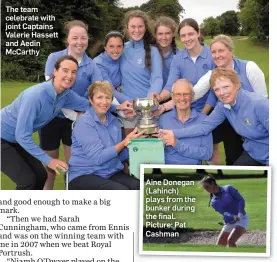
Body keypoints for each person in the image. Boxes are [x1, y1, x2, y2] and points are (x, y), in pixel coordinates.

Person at [1, 55, 90, 190]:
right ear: (55, 71)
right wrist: (49, 160)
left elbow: (89, 105)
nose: (69, 75)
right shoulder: (35, 96)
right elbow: (22, 135)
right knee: (27, 181)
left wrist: (117, 107)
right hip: (3, 137)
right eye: (65, 70)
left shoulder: (65, 95)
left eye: (73, 72)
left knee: (41, 175)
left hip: (15, 140)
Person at [159, 68, 269, 166]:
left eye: (226, 87)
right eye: (217, 89)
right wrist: (173, 133)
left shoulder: (258, 104)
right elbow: (204, 127)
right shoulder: (223, 106)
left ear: (237, 85)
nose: (222, 93)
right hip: (254, 154)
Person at [40, 20, 103, 189]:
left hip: (75, 124)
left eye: (83, 38)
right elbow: (53, 94)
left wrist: (117, 106)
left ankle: (72, 205)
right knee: (49, 168)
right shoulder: (54, 58)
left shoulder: (92, 64)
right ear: (67, 39)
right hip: (50, 119)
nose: (79, 42)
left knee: (73, 167)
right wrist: (75, 115)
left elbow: (99, 92)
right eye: (75, 37)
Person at [68, 82, 144, 190]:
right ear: (91, 99)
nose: (104, 102)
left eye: (108, 98)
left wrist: (137, 145)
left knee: (139, 187)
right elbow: (98, 158)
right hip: (85, 174)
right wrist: (124, 142)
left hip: (109, 173)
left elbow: (119, 155)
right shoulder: (84, 122)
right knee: (123, 192)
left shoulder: (115, 121)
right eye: (99, 97)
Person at [156, 18, 214, 112]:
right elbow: (170, 86)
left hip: (209, 111)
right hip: (184, 109)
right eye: (183, 36)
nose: (187, 39)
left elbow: (214, 92)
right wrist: (158, 98)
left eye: (190, 34)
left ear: (198, 33)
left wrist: (203, 114)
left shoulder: (213, 55)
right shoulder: (177, 58)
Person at [120, 10, 163, 136]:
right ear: (127, 28)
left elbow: (157, 78)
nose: (136, 30)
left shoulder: (153, 51)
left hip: (149, 112)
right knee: (130, 151)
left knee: (150, 152)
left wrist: (149, 102)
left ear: (145, 28)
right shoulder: (121, 49)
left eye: (140, 26)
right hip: (128, 111)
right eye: (133, 26)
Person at [159, 79, 213, 164]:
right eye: (178, 94)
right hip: (168, 172)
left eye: (186, 94)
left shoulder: (204, 120)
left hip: (194, 173)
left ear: (192, 96)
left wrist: (177, 144)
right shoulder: (163, 120)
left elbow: (207, 154)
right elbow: (156, 151)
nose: (182, 98)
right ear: (172, 97)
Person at [199, 175, 248, 247]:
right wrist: (233, 216)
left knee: (230, 241)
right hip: (229, 222)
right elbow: (224, 213)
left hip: (242, 219)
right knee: (219, 246)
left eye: (207, 187)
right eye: (205, 188)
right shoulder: (213, 202)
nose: (207, 190)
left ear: (212, 183)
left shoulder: (228, 189)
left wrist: (240, 213)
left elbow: (240, 200)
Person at [93, 31, 132, 104]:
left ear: (123, 47)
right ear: (105, 47)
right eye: (111, 46)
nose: (115, 50)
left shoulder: (122, 57)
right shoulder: (98, 64)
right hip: (103, 99)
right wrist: (134, 102)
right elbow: (109, 90)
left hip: (119, 95)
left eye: (119, 46)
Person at [153, 16, 178, 88]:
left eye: (167, 33)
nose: (164, 37)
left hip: (172, 97)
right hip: (150, 95)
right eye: (160, 34)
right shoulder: (148, 53)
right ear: (155, 35)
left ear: (173, 34)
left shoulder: (179, 56)